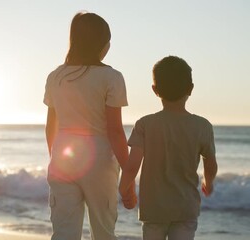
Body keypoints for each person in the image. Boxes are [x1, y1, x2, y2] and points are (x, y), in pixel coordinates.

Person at [44, 12, 135, 240]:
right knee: (104, 231)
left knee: (64, 231)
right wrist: (129, 175)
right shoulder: (111, 77)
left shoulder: (55, 76)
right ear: (102, 44)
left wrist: (54, 158)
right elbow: (115, 130)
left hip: (63, 156)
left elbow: (50, 126)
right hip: (100, 159)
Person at [119, 56, 218, 240]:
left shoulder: (145, 124)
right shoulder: (203, 126)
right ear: (191, 89)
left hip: (153, 209)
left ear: (155, 90)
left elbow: (132, 165)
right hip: (185, 208)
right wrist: (208, 182)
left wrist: (125, 189)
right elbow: (210, 162)